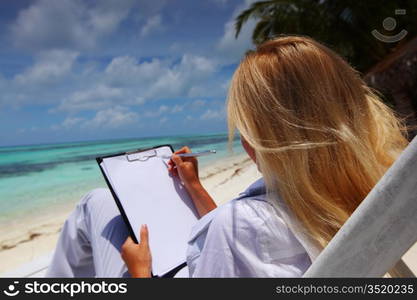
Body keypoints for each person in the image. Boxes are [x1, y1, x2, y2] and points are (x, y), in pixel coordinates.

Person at [47, 36, 408, 278]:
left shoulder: (238, 228)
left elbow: (241, 235)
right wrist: (194, 187)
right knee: (98, 204)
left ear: (261, 140)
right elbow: (250, 239)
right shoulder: (374, 184)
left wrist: (141, 273)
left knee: (94, 205)